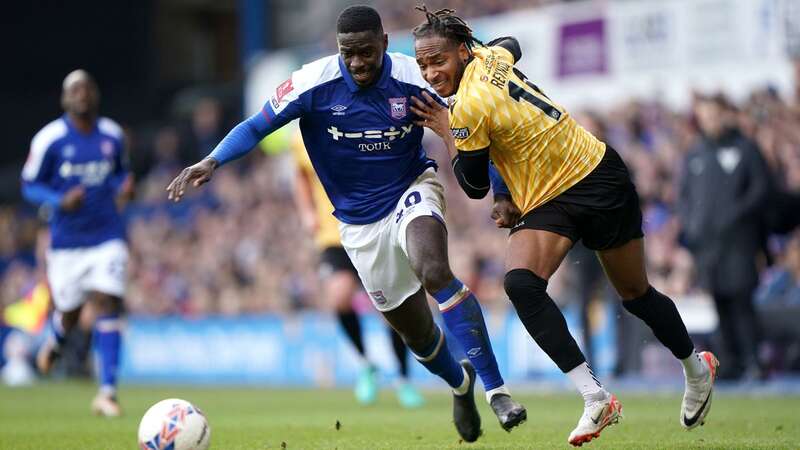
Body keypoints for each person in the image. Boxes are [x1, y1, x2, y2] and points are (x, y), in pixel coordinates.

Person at [166, 5, 526, 442]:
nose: (357, 62)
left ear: (384, 45)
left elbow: (475, 128)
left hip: (411, 187)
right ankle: (460, 383)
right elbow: (256, 125)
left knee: (433, 269)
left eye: (366, 52)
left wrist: (502, 192)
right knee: (416, 334)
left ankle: (497, 391)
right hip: (356, 225)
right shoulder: (311, 84)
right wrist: (212, 160)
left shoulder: (415, 78)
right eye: (348, 53)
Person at [409, 7, 718, 446]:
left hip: (594, 177)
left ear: (461, 51)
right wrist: (505, 193)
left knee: (635, 294)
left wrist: (445, 129)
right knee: (520, 283)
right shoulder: (489, 56)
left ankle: (696, 368)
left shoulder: (466, 108)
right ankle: (595, 396)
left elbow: (471, 184)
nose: (430, 72)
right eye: (422, 64)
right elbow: (510, 46)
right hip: (547, 198)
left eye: (437, 60)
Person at [21, 70, 133, 416]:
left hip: (107, 236)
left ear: (95, 94)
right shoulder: (49, 139)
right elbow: (29, 184)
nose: (81, 94)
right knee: (69, 312)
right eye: (74, 89)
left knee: (108, 300)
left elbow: (121, 172)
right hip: (67, 243)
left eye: (87, 88)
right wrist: (57, 201)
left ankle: (108, 391)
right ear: (65, 98)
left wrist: (125, 186)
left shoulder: (112, 134)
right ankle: (54, 342)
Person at [289, 131, 424, 408]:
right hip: (333, 234)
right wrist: (306, 211)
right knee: (338, 297)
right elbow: (301, 175)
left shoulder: (356, 123)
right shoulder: (300, 136)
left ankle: (403, 377)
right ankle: (366, 364)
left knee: (391, 310)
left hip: (373, 229)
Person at [678, 95, 770, 380]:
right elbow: (684, 197)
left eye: (714, 115)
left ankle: (754, 362)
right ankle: (730, 363)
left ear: (724, 115)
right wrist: (691, 229)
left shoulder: (745, 148)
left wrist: (737, 217)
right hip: (708, 247)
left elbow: (760, 190)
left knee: (742, 302)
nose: (710, 121)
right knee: (717, 303)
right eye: (704, 116)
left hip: (740, 243)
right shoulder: (695, 154)